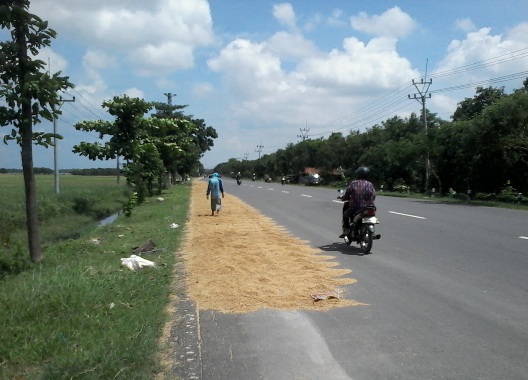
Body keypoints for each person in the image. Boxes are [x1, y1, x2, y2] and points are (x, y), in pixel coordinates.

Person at [338, 166, 376, 238]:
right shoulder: (370, 184)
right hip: (369, 207)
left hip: (356, 207)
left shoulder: (354, 183)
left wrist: (343, 198)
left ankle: (346, 230)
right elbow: (374, 195)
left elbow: (347, 194)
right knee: (371, 216)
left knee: (346, 214)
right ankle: (372, 233)